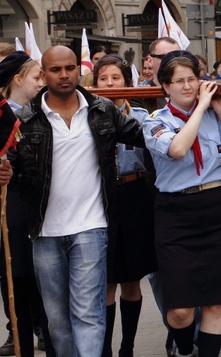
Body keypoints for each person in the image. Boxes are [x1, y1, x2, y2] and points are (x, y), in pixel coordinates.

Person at [14, 45, 145, 356]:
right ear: (44, 75)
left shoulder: (102, 110)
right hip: (44, 231)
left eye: (69, 68)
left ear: (78, 70)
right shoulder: (26, 118)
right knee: (57, 321)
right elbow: (10, 163)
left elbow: (145, 135)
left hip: (91, 227)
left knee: (88, 314)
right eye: (56, 70)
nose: (64, 75)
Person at [142, 50, 221, 357]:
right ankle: (184, 349)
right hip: (176, 214)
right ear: (165, 87)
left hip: (217, 208)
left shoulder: (215, 115)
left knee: (215, 302)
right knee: (181, 310)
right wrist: (201, 106)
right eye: (179, 81)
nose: (187, 86)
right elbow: (177, 148)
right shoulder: (155, 121)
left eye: (193, 79)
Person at [93, 55, 158, 357]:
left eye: (115, 78)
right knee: (105, 279)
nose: (109, 84)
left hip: (135, 194)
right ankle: (103, 349)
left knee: (132, 280)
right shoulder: (89, 115)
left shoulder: (142, 115)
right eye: (103, 78)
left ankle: (127, 347)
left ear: (127, 82)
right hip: (102, 198)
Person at [0, 52, 49, 357]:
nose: (42, 82)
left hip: (43, 208)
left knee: (42, 283)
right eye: (37, 76)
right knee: (15, 278)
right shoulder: (4, 116)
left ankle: (45, 331)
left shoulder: (45, 112)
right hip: (14, 211)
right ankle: (19, 338)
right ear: (18, 80)